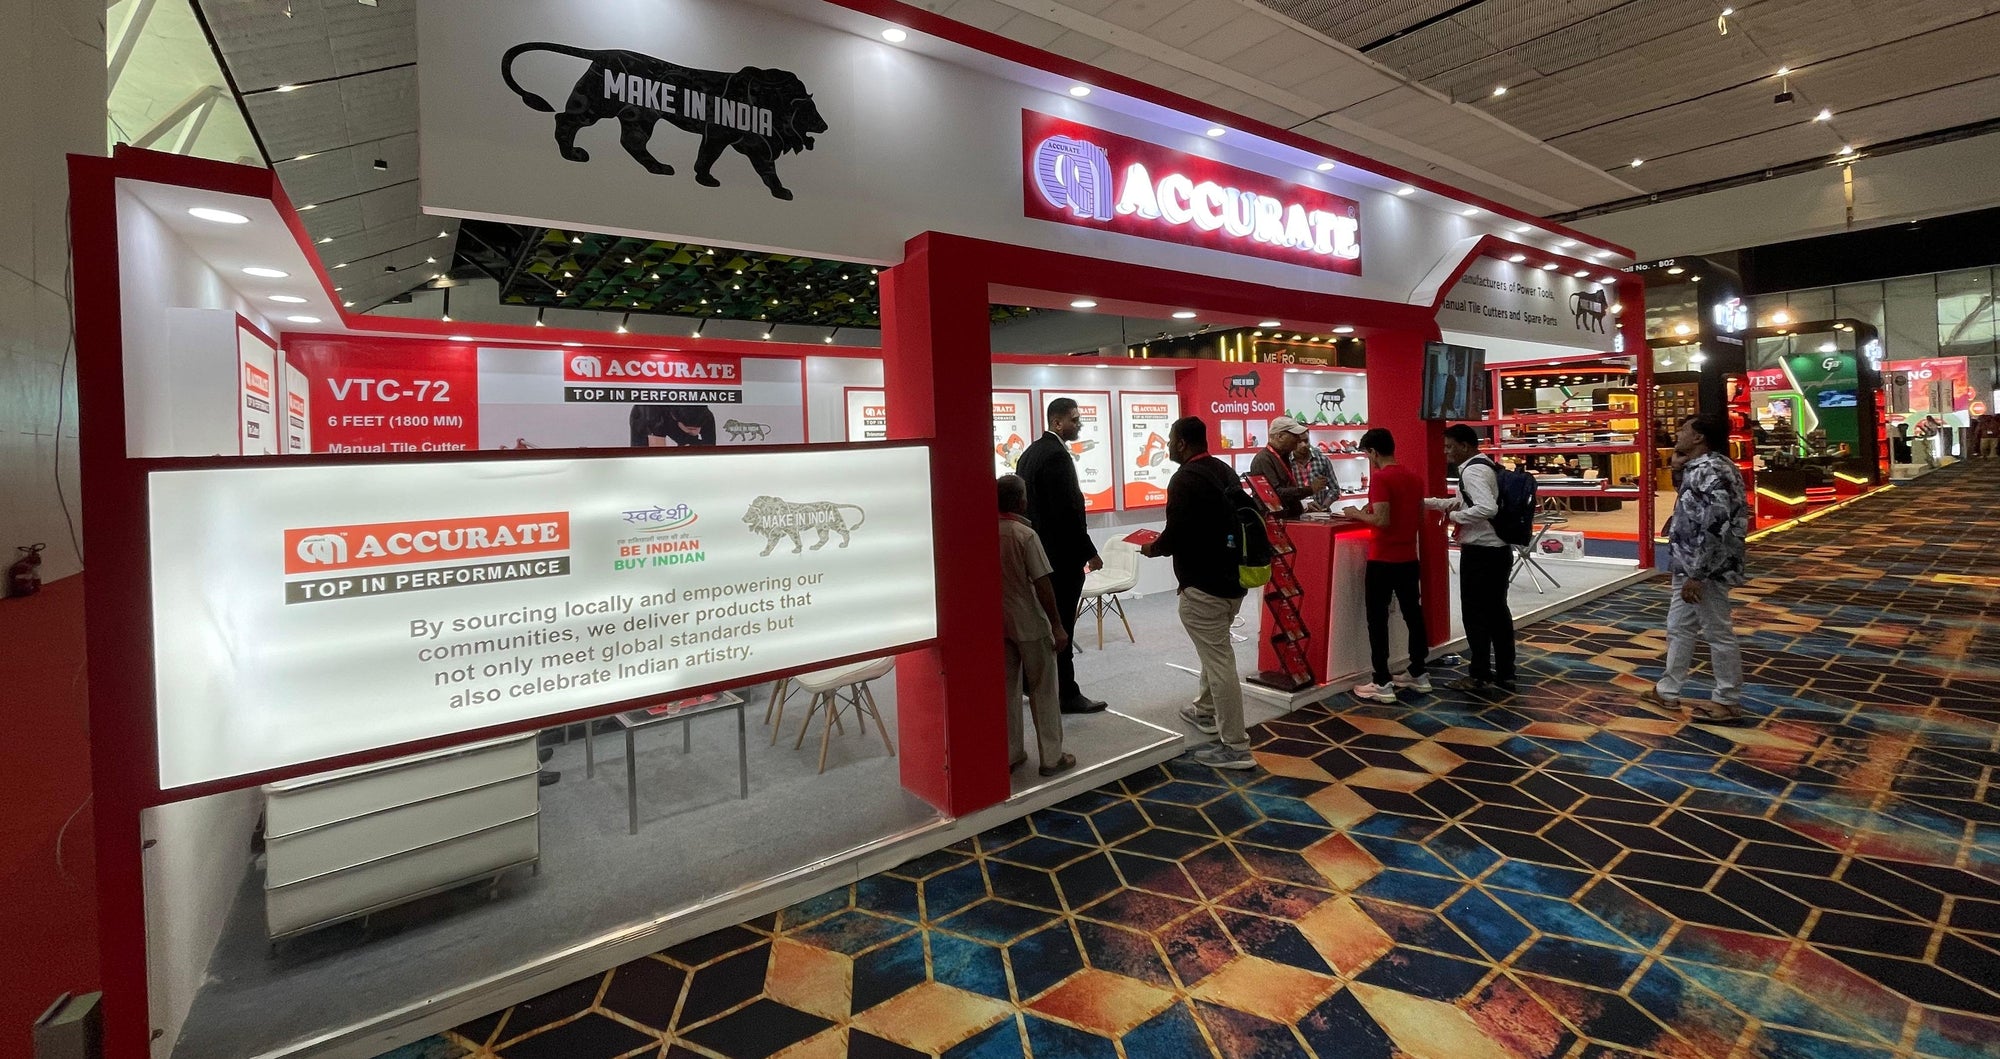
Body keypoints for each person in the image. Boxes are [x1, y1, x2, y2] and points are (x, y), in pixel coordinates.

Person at [1140, 417, 1256, 770]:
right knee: (1215, 647)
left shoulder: (1184, 479)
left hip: (1203, 586)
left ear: (1181, 443)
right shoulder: (1224, 470)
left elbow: (1177, 533)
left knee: (1219, 661)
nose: (1168, 446)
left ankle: (1236, 746)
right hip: (1233, 580)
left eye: (1170, 440)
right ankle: (1205, 711)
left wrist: (1153, 548)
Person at [1643, 414, 1750, 724]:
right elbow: (1692, 506)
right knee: (1679, 627)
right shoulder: (1704, 467)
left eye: (1683, 430)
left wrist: (1699, 573)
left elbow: (1716, 525)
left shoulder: (1711, 470)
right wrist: (1678, 466)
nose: (1677, 434)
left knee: (1717, 631)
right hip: (1689, 565)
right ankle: (1667, 690)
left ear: (1699, 437)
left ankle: (1727, 699)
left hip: (1705, 568)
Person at [1015, 398, 1107, 714]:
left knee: (1045, 625)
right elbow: (1067, 512)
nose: (1079, 425)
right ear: (1057, 423)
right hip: (1060, 559)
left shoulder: (1031, 453)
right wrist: (1089, 551)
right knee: (1062, 627)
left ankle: (1034, 683)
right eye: (1074, 419)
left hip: (1040, 555)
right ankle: (1066, 694)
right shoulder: (1055, 456)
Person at [1337, 428, 1430, 704]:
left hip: (1383, 559)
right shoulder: (1414, 478)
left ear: (1373, 452)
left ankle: (1381, 681)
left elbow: (1382, 520)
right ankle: (1418, 672)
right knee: (1413, 614)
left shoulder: (1380, 478)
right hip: (1408, 558)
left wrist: (1355, 513)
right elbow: (1419, 517)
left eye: (1368, 454)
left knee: (1377, 620)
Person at [1425, 424, 1516, 694]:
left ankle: (1478, 675)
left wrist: (1455, 517)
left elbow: (1487, 508)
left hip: (1481, 553)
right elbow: (1469, 502)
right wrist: (1431, 503)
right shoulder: (1485, 466)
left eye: (1449, 447)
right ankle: (1505, 673)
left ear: (1464, 446)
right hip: (1497, 550)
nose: (1446, 452)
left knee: (1476, 615)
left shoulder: (1472, 471)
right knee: (1498, 614)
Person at [996, 475, 1076, 777]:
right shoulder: (1024, 535)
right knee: (1044, 689)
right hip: (1030, 621)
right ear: (1020, 501)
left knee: (1007, 690)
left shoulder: (985, 531)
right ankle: (1052, 757)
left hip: (999, 622)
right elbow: (1042, 582)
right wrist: (1057, 625)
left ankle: (1011, 753)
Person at [1249, 416, 1319, 519]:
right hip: (1277, 522)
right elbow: (1276, 494)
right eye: (1294, 435)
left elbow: (1285, 491)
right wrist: (1310, 489)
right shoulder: (1263, 460)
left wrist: (1303, 506)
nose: (1298, 439)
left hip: (1287, 520)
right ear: (1280, 436)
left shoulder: (1283, 456)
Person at [629, 404, 717, 447]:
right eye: (689, 429)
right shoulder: (651, 414)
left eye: (696, 429)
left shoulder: (707, 416)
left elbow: (710, 452)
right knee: (644, 455)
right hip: (645, 417)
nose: (694, 432)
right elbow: (657, 456)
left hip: (676, 418)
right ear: (675, 418)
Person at [1293, 438, 1338, 511]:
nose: (1304, 445)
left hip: (1321, 512)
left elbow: (1335, 489)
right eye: (1299, 441)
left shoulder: (1322, 459)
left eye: (1306, 441)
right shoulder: (1286, 462)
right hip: (1297, 512)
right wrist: (1303, 505)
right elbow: (1283, 493)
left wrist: (1323, 507)